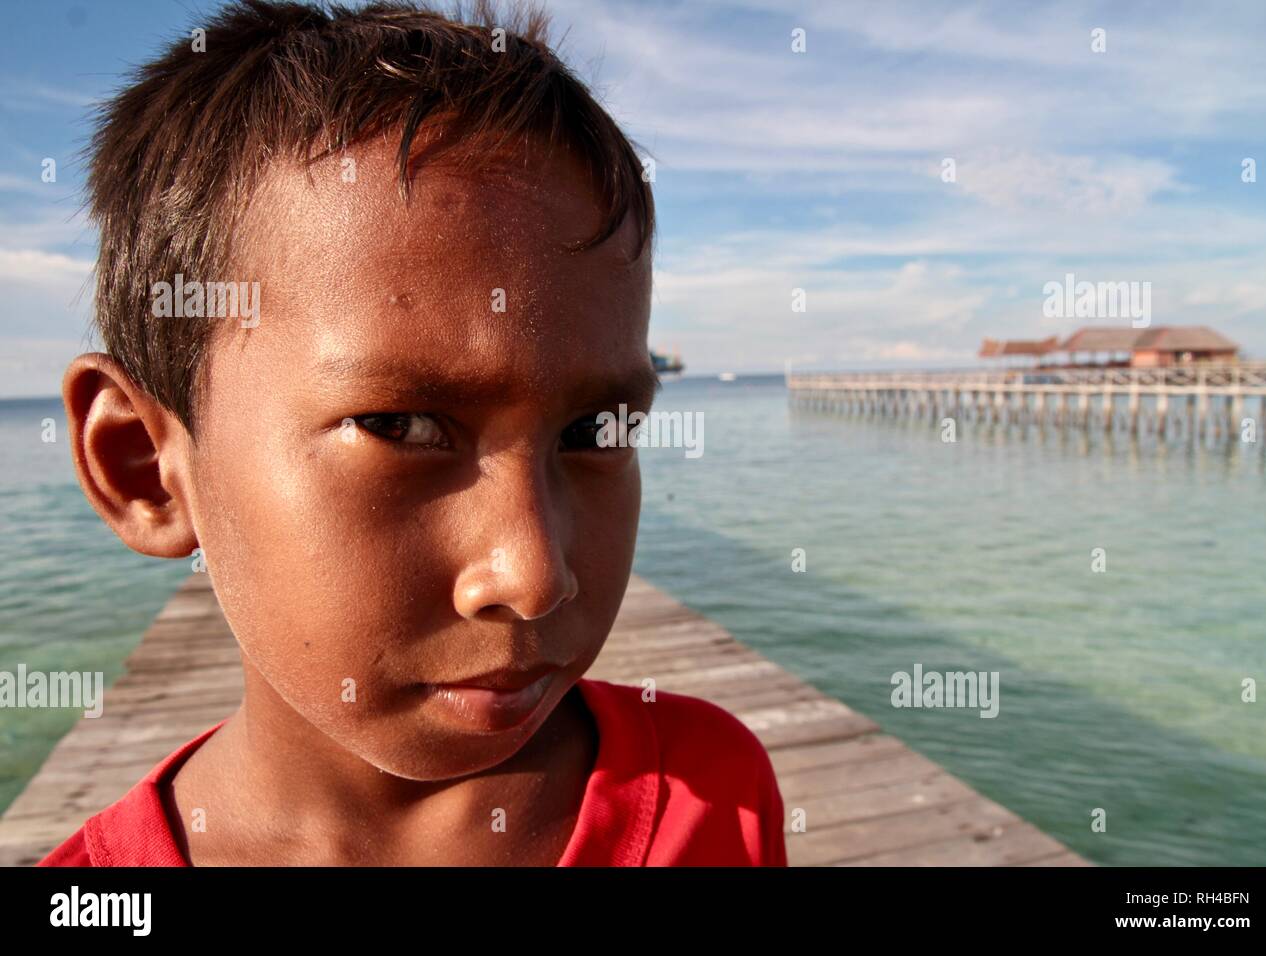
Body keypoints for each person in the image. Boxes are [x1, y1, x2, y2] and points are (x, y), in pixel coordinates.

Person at [40, 0, 786, 867]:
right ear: (144, 467)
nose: (535, 576)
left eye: (593, 428)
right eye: (398, 425)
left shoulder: (715, 789)